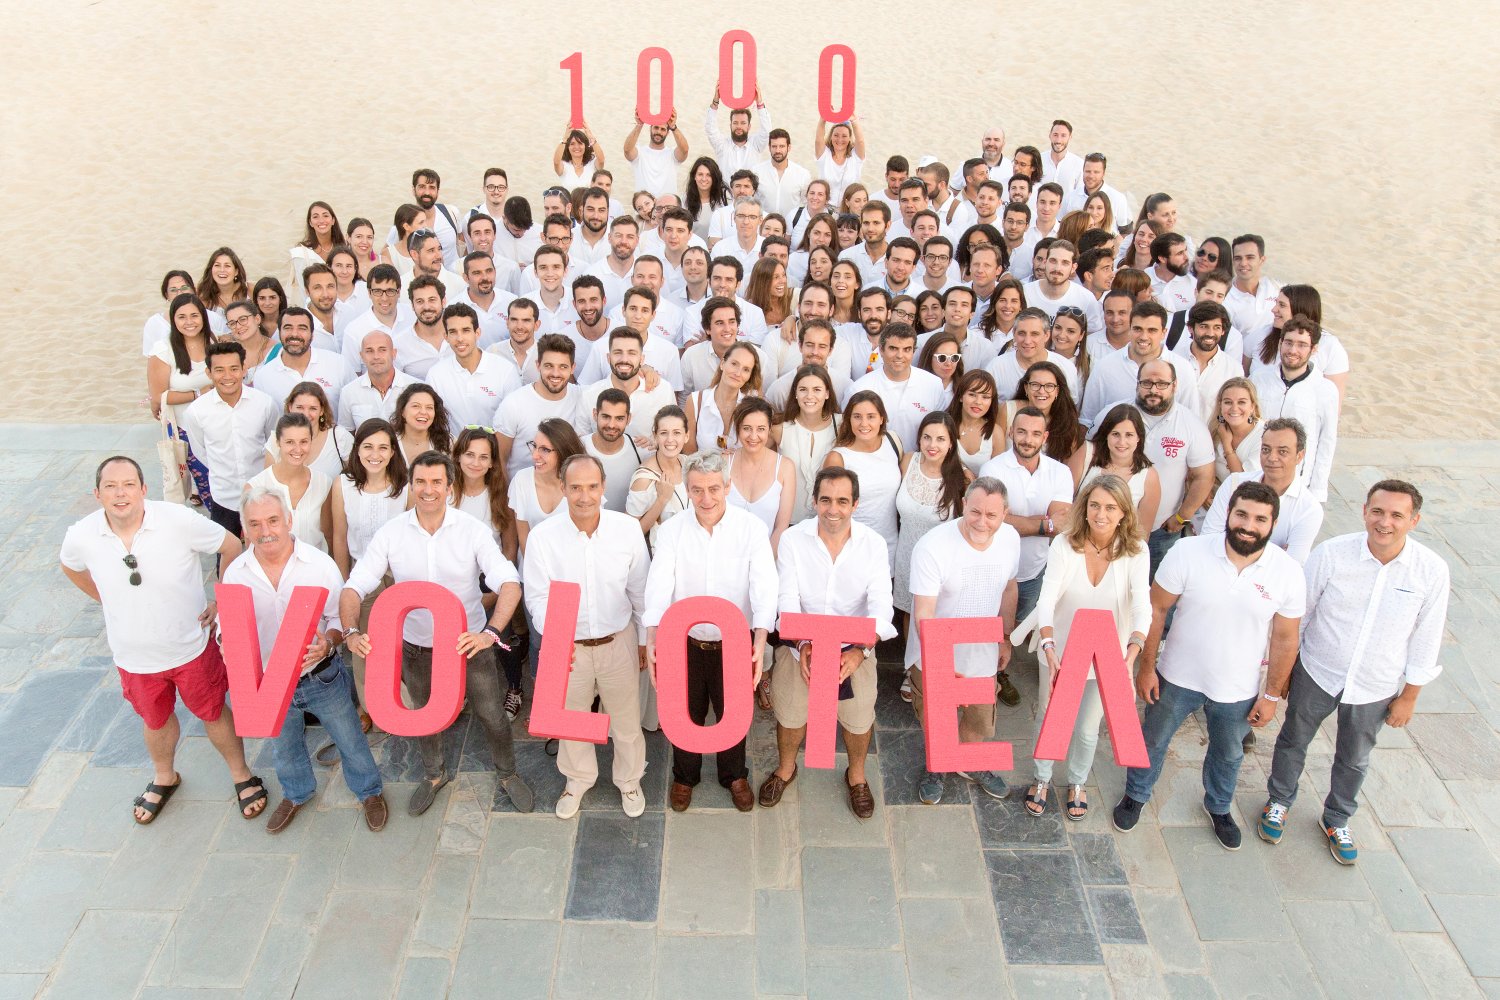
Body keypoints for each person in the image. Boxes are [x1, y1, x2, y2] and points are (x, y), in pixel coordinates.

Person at [59, 456, 266, 825]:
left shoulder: (177, 520)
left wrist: (221, 599)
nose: (120, 493)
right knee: (155, 721)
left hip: (190, 646)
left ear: (144, 489)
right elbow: (69, 566)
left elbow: (232, 545)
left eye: (128, 484)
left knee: (214, 712)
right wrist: (106, 598)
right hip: (134, 657)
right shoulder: (81, 536)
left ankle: (241, 774)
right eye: (111, 486)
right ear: (97, 494)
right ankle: (164, 776)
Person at [1258, 480, 1449, 865]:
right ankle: (1278, 801)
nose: (1385, 522)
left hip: (1376, 684)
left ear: (1414, 520)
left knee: (1355, 757)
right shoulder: (1331, 554)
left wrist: (1409, 695)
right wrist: (1284, 673)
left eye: (1397, 515)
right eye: (1378, 511)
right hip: (1318, 670)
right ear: (1364, 511)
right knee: (1293, 738)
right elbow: (1300, 615)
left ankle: (1337, 818)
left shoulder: (1431, 571)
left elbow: (1428, 636)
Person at [1112, 481, 1305, 850]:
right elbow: (1156, 609)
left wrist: (1271, 695)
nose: (1248, 525)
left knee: (1228, 752)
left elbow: (1285, 638)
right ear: (1228, 513)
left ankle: (1218, 806)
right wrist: (1147, 667)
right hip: (1177, 675)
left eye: (1260, 519)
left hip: (1238, 687)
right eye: (1242, 514)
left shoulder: (1288, 572)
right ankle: (1136, 795)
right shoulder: (1188, 551)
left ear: (1273, 524)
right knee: (1152, 739)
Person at [342, 451, 534, 816]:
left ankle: (508, 774)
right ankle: (434, 775)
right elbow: (354, 587)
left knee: (492, 715)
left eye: (436, 482)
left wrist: (490, 633)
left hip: (470, 644)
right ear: (410, 486)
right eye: (420, 482)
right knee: (423, 716)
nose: (428, 490)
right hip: (417, 649)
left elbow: (509, 582)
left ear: (449, 486)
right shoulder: (391, 533)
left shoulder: (471, 530)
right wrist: (351, 630)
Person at [225, 488, 387, 833]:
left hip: (320, 677)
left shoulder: (319, 565)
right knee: (283, 748)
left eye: (272, 520)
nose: (265, 530)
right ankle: (296, 793)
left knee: (349, 739)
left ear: (288, 520)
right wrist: (227, 644)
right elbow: (229, 627)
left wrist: (328, 645)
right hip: (269, 682)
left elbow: (338, 621)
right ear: (244, 528)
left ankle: (369, 791)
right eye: (254, 524)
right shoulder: (236, 572)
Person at [643, 450, 777, 812]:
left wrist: (760, 639)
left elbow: (764, 584)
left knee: (733, 712)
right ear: (687, 490)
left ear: (728, 486)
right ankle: (685, 777)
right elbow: (658, 583)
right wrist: (652, 636)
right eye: (698, 490)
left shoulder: (751, 529)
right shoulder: (671, 531)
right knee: (686, 711)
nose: (706, 498)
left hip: (734, 644)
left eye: (714, 489)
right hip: (684, 642)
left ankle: (734, 775)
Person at [760, 467, 896, 817]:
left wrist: (861, 651)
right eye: (825, 500)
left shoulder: (874, 544)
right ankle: (786, 769)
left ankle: (857, 775)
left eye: (841, 501)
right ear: (814, 501)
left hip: (854, 648)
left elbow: (881, 604)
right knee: (790, 714)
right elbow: (786, 598)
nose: (832, 509)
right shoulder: (793, 540)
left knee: (858, 717)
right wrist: (803, 643)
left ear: (855, 504)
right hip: (800, 645)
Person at [524, 455, 652, 818]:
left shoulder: (626, 530)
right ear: (562, 487)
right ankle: (577, 780)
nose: (584, 496)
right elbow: (537, 597)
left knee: (626, 720)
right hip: (567, 645)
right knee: (572, 719)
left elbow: (640, 591)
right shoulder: (543, 537)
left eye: (592, 487)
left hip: (618, 640)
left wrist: (643, 640)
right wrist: (558, 641)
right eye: (576, 487)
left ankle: (629, 780)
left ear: (603, 486)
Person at [1019, 474, 1150, 819]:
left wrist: (1130, 657)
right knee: (1051, 716)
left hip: (1110, 653)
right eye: (1094, 505)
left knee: (1088, 726)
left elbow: (1142, 607)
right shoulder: (1065, 544)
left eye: (1110, 507)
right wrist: (1048, 645)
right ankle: (1042, 777)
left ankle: (1077, 781)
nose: (1101, 514)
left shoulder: (1137, 551)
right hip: (1060, 646)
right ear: (1085, 507)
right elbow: (1046, 598)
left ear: (1124, 512)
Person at [908, 477, 1021, 803]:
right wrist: (940, 667)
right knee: (937, 721)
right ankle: (938, 766)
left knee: (979, 722)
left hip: (982, 655)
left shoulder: (1010, 540)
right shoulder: (933, 546)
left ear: (1005, 514)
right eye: (975, 513)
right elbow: (924, 613)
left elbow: (1009, 588)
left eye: (991, 516)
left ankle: (970, 762)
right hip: (936, 654)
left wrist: (1005, 638)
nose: (982, 523)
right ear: (964, 506)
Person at [980, 406, 1075, 702]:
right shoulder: (993, 469)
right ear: (1010, 432)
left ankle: (998, 664)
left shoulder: (1060, 472)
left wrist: (1014, 520)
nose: (1027, 439)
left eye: (1035, 433)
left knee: (1015, 624)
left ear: (1045, 437)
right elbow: (992, 519)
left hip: (1036, 569)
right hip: (993, 568)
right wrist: (1042, 523)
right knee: (988, 623)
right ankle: (989, 676)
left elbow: (1062, 522)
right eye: (1021, 431)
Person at [328, 418, 409, 732]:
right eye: (368, 447)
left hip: (398, 577)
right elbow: (339, 535)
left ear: (392, 452)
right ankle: (367, 705)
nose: (375, 454)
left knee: (402, 642)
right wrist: (343, 581)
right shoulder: (343, 485)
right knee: (363, 646)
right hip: (362, 578)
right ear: (357, 449)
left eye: (382, 448)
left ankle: (403, 701)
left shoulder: (405, 488)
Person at [893, 412, 969, 690]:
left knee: (935, 614)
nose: (932, 444)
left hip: (940, 560)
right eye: (927, 437)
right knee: (908, 611)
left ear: (951, 443)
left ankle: (936, 667)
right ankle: (911, 669)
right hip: (906, 552)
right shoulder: (907, 462)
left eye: (940, 438)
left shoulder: (962, 477)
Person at [182, 341, 280, 538]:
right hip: (224, 497)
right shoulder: (196, 412)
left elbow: (274, 445)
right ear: (209, 373)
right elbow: (201, 452)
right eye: (219, 370)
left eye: (234, 368)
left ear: (244, 369)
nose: (227, 376)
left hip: (263, 493)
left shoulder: (265, 404)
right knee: (227, 557)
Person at [1201, 415, 1324, 562]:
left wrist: (1233, 540)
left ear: (1299, 456)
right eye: (1266, 449)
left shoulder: (1309, 509)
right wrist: (1276, 552)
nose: (1272, 458)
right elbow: (1208, 539)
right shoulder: (1233, 483)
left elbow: (1292, 565)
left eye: (1282, 451)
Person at [1250, 317, 1339, 502]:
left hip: (1298, 485)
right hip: (1256, 477)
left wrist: (1317, 492)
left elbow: (1326, 442)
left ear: (1313, 349)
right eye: (1288, 343)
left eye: (1301, 345)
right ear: (1280, 343)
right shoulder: (1258, 379)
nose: (1293, 350)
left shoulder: (1325, 390)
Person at [1081, 301, 1198, 429]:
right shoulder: (1104, 367)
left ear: (1164, 333)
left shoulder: (1183, 368)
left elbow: (1190, 420)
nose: (1144, 337)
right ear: (1130, 329)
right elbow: (1087, 420)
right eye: (1138, 329)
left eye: (1152, 330)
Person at [147, 293, 215, 505]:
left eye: (194, 315)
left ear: (203, 317)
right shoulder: (163, 350)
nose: (189, 322)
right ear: (173, 320)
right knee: (206, 483)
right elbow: (158, 396)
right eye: (182, 317)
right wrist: (197, 394)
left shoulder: (213, 341)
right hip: (185, 429)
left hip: (215, 422)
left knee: (223, 479)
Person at [823, 390, 902, 562]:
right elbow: (829, 508)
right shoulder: (838, 458)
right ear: (849, 420)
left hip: (889, 548)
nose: (864, 423)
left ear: (881, 419)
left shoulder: (893, 441)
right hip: (851, 549)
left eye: (871, 416)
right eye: (857, 416)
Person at [492, 333, 583, 479]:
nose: (555, 373)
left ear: (573, 368)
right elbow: (499, 460)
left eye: (563, 367)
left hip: (565, 494)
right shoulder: (513, 404)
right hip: (522, 495)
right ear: (538, 365)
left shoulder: (582, 397)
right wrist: (504, 500)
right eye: (549, 366)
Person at [850, 322, 946, 450]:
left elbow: (940, 430)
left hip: (918, 462)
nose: (900, 355)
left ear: (914, 351)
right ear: (881, 350)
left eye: (907, 349)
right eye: (893, 348)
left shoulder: (933, 384)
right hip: (875, 462)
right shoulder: (859, 388)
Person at [247, 413, 333, 552]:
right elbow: (253, 544)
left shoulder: (324, 483)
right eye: (290, 442)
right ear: (278, 442)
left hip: (316, 568)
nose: (298, 449)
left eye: (304, 441)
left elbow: (329, 534)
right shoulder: (255, 487)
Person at [772, 364, 840, 523]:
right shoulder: (780, 429)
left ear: (827, 393)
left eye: (817, 390)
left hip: (828, 522)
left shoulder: (842, 425)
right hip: (788, 522)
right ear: (795, 393)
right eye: (803, 389)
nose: (810, 396)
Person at [252, 307, 353, 412]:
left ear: (312, 335)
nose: (294, 334)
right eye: (288, 328)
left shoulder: (339, 364)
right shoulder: (262, 376)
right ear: (279, 333)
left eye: (302, 328)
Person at [1080, 404, 1162, 533]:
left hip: (1120, 549)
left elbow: (1142, 533)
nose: (1121, 442)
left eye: (1129, 435)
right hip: (1078, 543)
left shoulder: (1149, 476)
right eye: (1115, 434)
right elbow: (1066, 507)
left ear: (1138, 437)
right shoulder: (1087, 454)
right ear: (1106, 434)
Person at [509, 417, 585, 557]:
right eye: (534, 446)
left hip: (570, 570)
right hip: (531, 570)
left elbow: (586, 539)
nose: (535, 455)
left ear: (563, 450)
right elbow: (524, 538)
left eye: (544, 450)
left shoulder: (582, 484)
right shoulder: (522, 480)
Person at [628, 405, 692, 548]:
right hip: (663, 557)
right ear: (655, 435)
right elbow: (630, 533)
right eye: (664, 433)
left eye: (677, 433)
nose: (670, 439)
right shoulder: (644, 479)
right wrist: (662, 500)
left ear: (686, 436)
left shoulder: (688, 464)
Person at [685, 341, 762, 454]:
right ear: (722, 364)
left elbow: (760, 448)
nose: (738, 373)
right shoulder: (695, 401)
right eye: (734, 364)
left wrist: (738, 457)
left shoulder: (754, 405)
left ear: (750, 376)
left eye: (746, 369)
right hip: (703, 470)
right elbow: (689, 454)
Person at [338, 330, 417, 431]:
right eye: (369, 351)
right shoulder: (349, 392)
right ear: (361, 356)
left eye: (382, 350)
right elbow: (347, 433)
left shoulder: (414, 387)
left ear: (394, 353)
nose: (376, 356)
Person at [585, 388, 645, 513]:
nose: (611, 425)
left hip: (626, 529)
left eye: (619, 418)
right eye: (606, 417)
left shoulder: (642, 450)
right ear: (595, 415)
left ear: (628, 419)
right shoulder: (577, 447)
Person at [1223, 234, 1281, 358]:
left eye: (1250, 257)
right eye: (1238, 258)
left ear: (1262, 260)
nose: (1243, 263)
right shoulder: (1225, 299)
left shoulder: (1276, 287)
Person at [946, 369, 1006, 474]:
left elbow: (998, 474)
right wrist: (964, 470)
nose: (978, 402)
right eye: (972, 395)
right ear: (960, 396)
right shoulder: (944, 425)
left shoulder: (996, 432)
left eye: (985, 397)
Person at [1210, 377, 1264, 486]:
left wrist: (1227, 445)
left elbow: (1243, 482)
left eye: (1241, 402)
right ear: (1220, 405)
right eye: (1228, 402)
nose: (1234, 408)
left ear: (1252, 406)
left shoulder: (1264, 435)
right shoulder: (1214, 429)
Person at [705, 84, 770, 173]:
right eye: (735, 123)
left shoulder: (756, 144)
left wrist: (760, 103)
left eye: (743, 123)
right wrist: (715, 101)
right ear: (730, 125)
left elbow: (766, 131)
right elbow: (710, 129)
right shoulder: (722, 145)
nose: (739, 126)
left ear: (749, 126)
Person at [624, 109, 689, 196]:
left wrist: (673, 127)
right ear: (650, 129)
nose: (659, 132)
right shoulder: (640, 152)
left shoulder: (672, 154)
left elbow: (684, 150)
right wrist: (639, 125)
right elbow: (627, 150)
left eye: (663, 129)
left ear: (667, 133)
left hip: (668, 207)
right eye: (656, 127)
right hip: (644, 207)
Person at [755, 127, 812, 219]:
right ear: (769, 148)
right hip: (763, 227)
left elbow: (807, 204)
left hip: (790, 228)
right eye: (774, 146)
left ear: (789, 147)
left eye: (781, 146)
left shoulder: (802, 174)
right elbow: (751, 200)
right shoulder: (756, 172)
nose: (777, 151)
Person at [391, 383, 452, 464]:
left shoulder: (448, 442)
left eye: (429, 407)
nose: (423, 412)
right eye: (416, 406)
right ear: (402, 411)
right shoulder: (389, 441)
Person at [813, 116, 867, 204]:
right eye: (836, 135)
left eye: (844, 136)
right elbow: (818, 140)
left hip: (849, 208)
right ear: (831, 137)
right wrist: (823, 118)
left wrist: (854, 120)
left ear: (850, 138)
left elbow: (860, 141)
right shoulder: (824, 155)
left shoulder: (855, 156)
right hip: (826, 208)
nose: (840, 139)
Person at [196, 247, 250, 314]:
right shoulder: (203, 295)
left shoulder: (250, 290)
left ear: (236, 271)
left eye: (227, 266)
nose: (222, 270)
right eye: (217, 265)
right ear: (211, 270)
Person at [553, 122, 604, 187]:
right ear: (567, 146)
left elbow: (601, 160)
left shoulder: (592, 163)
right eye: (572, 144)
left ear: (585, 146)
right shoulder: (564, 165)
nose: (576, 147)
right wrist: (565, 138)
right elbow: (556, 162)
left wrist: (590, 136)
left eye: (580, 143)